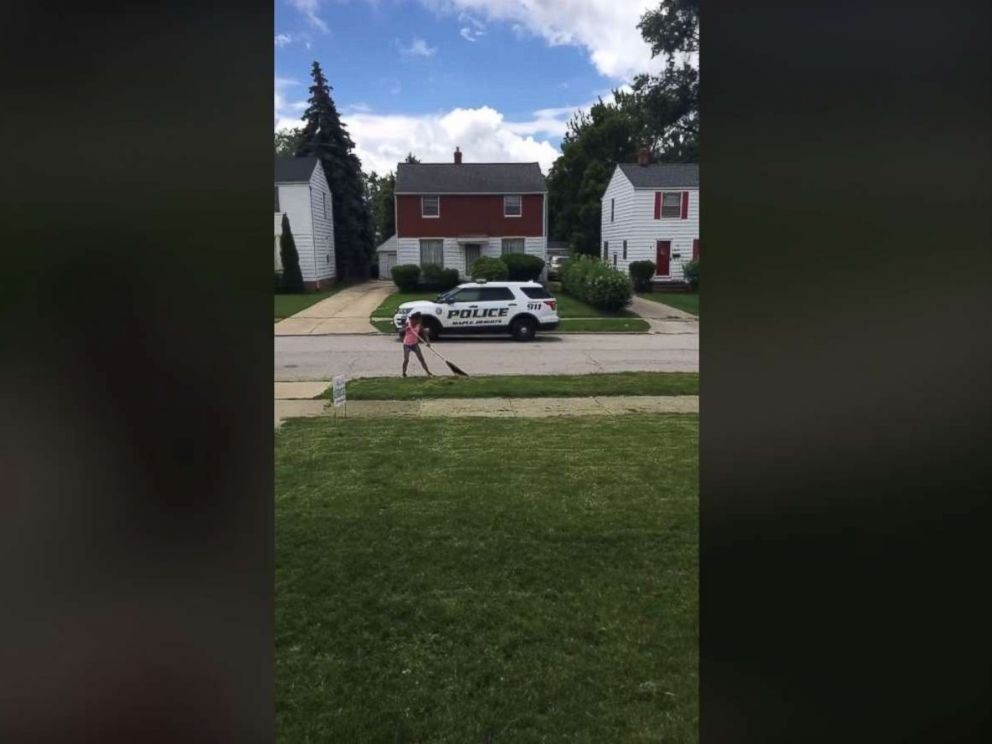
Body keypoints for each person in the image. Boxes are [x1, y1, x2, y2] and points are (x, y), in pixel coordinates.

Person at [401, 312, 433, 378]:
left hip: (415, 344)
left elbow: (424, 334)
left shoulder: (419, 325)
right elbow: (401, 331)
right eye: (419, 319)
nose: (420, 321)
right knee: (406, 359)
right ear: (415, 319)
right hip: (406, 344)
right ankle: (404, 373)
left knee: (421, 358)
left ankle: (428, 372)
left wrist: (428, 342)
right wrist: (405, 329)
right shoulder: (407, 324)